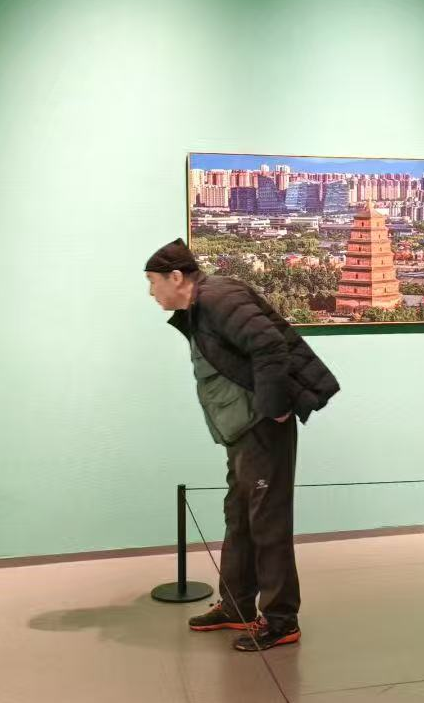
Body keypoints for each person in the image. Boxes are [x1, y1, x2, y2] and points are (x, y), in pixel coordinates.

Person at [144, 239, 340, 652]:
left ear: (175, 277)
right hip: (243, 431)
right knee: (240, 516)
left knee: (267, 522)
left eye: (152, 282)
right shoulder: (202, 304)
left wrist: (275, 409)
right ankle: (237, 606)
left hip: (261, 427)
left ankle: (281, 620)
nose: (150, 292)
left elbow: (269, 345)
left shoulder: (218, 298)